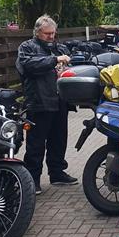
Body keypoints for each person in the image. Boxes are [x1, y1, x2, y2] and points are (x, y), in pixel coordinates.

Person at [16, 14, 77, 194]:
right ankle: (32, 180)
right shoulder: (27, 47)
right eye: (47, 33)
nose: (51, 37)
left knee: (59, 139)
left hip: (59, 101)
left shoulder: (59, 47)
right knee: (36, 144)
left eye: (53, 33)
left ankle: (57, 173)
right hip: (39, 102)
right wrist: (55, 60)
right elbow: (28, 66)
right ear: (37, 32)